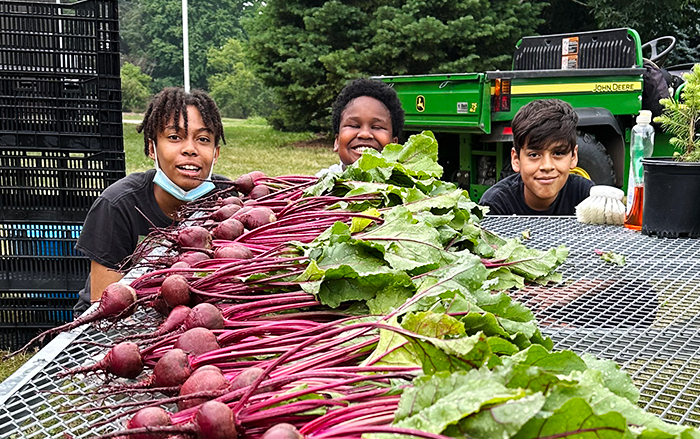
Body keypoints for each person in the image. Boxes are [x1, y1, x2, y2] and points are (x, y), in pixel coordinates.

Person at [73, 87, 228, 315]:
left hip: (196, 317)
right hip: (113, 324)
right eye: (175, 137)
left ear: (215, 153)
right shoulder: (118, 205)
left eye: (203, 139)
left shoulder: (228, 200)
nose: (190, 150)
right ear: (151, 148)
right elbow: (104, 301)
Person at [479, 99, 595, 215]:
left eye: (558, 153)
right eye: (534, 155)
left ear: (573, 156)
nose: (547, 166)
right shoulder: (496, 206)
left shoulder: (584, 195)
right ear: (516, 159)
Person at [317, 77, 405, 176]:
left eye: (376, 127)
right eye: (354, 126)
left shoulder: (405, 188)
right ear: (337, 141)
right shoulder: (320, 183)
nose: (365, 134)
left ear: (394, 145)